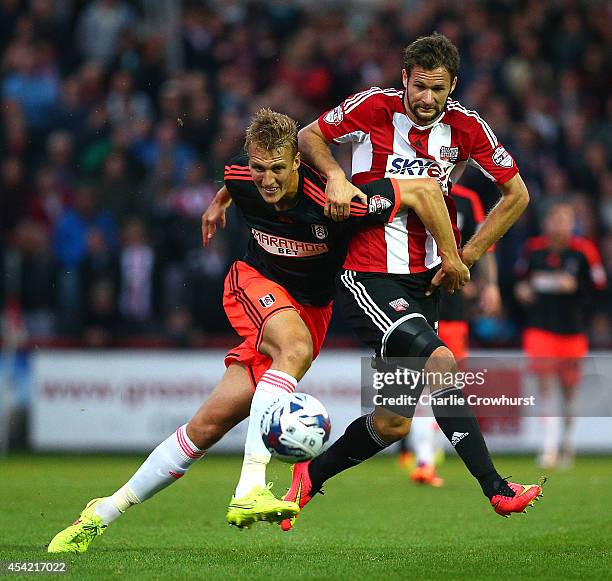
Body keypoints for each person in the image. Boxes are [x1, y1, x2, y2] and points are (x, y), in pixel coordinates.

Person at [47, 108, 467, 552]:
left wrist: (453, 255)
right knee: (294, 345)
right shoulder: (242, 179)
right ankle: (250, 486)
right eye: (258, 167)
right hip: (254, 284)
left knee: (207, 426)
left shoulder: (338, 200)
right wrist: (217, 203)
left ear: (297, 164)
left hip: (309, 310)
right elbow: (233, 182)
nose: (266, 179)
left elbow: (422, 191)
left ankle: (102, 512)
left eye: (277, 169)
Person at [280, 33, 542, 531]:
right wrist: (336, 176)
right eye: (419, 86)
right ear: (404, 79)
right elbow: (308, 135)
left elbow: (516, 194)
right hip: (370, 275)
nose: (426, 99)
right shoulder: (372, 106)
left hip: (425, 283)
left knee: (392, 423)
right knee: (442, 361)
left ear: (453, 86)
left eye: (437, 89)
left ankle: (308, 477)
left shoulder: (466, 126)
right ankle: (497, 489)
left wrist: (467, 254)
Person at [403, 183, 501, 488]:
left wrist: (492, 285)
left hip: (452, 309)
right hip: (414, 299)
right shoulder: (408, 188)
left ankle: (429, 453)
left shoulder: (468, 198)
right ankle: (424, 459)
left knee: (445, 388)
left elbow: (485, 247)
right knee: (416, 387)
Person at [515, 201, 606, 469]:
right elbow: (520, 280)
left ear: (573, 223)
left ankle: (568, 444)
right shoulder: (533, 249)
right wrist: (522, 291)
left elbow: (599, 285)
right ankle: (549, 448)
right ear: (547, 223)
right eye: (555, 219)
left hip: (572, 331)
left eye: (566, 219)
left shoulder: (583, 251)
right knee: (544, 386)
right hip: (540, 329)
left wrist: (577, 288)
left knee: (568, 391)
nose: (560, 224)